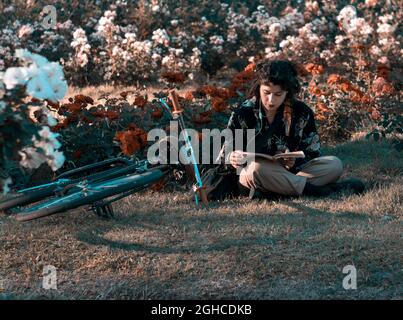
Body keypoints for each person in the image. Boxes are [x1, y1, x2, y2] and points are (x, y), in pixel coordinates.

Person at [221, 59, 364, 199]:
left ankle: (276, 191)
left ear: (287, 92)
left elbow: (312, 152)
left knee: (333, 164)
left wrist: (292, 161)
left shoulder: (302, 112)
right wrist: (233, 157)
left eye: (278, 94)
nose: (271, 100)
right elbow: (224, 156)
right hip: (254, 174)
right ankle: (320, 191)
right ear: (259, 88)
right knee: (255, 169)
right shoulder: (243, 113)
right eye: (266, 92)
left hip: (290, 173)